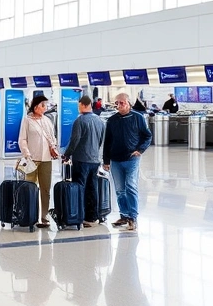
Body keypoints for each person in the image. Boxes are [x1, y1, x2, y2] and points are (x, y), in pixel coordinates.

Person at [102, 93, 152, 232]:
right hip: (115, 160)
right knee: (119, 190)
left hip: (132, 159)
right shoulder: (112, 120)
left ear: (128, 103)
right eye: (116, 103)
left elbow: (147, 136)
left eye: (121, 103)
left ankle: (133, 217)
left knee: (131, 186)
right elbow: (108, 142)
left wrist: (140, 150)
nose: (118, 106)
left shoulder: (138, 118)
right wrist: (106, 160)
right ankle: (124, 215)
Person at [62, 95, 106, 227]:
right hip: (95, 160)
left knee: (79, 187)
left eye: (79, 105)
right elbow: (101, 141)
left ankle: (79, 215)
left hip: (81, 160)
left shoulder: (79, 121)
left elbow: (74, 140)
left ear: (84, 105)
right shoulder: (100, 120)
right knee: (92, 188)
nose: (78, 108)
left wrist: (67, 154)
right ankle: (92, 217)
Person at [19, 95, 60, 229]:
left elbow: (52, 137)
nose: (45, 108)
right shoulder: (27, 120)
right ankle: (30, 215)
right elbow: (22, 139)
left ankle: (44, 216)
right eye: (43, 105)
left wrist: (53, 146)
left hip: (46, 159)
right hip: (32, 159)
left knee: (45, 189)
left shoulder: (47, 120)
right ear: (35, 106)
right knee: (30, 188)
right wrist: (27, 153)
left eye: (46, 105)